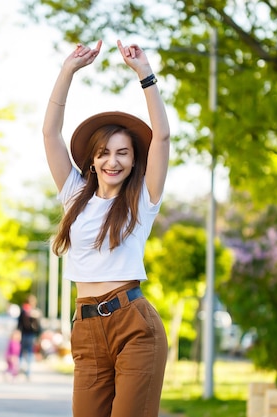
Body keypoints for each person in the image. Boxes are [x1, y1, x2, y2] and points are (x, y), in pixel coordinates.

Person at [42, 39, 170, 417]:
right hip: (86, 328)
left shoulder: (142, 200)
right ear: (93, 160)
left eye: (123, 153)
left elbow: (161, 137)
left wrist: (145, 75)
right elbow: (50, 134)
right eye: (104, 153)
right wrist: (68, 71)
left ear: (134, 162)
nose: (113, 161)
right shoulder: (74, 194)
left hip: (134, 326)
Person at [16, 294, 42, 380]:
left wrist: (18, 333)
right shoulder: (36, 312)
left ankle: (20, 367)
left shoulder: (23, 311)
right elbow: (39, 326)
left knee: (21, 352)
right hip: (32, 335)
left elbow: (19, 324)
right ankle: (29, 372)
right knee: (30, 353)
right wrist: (38, 336)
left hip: (23, 334)